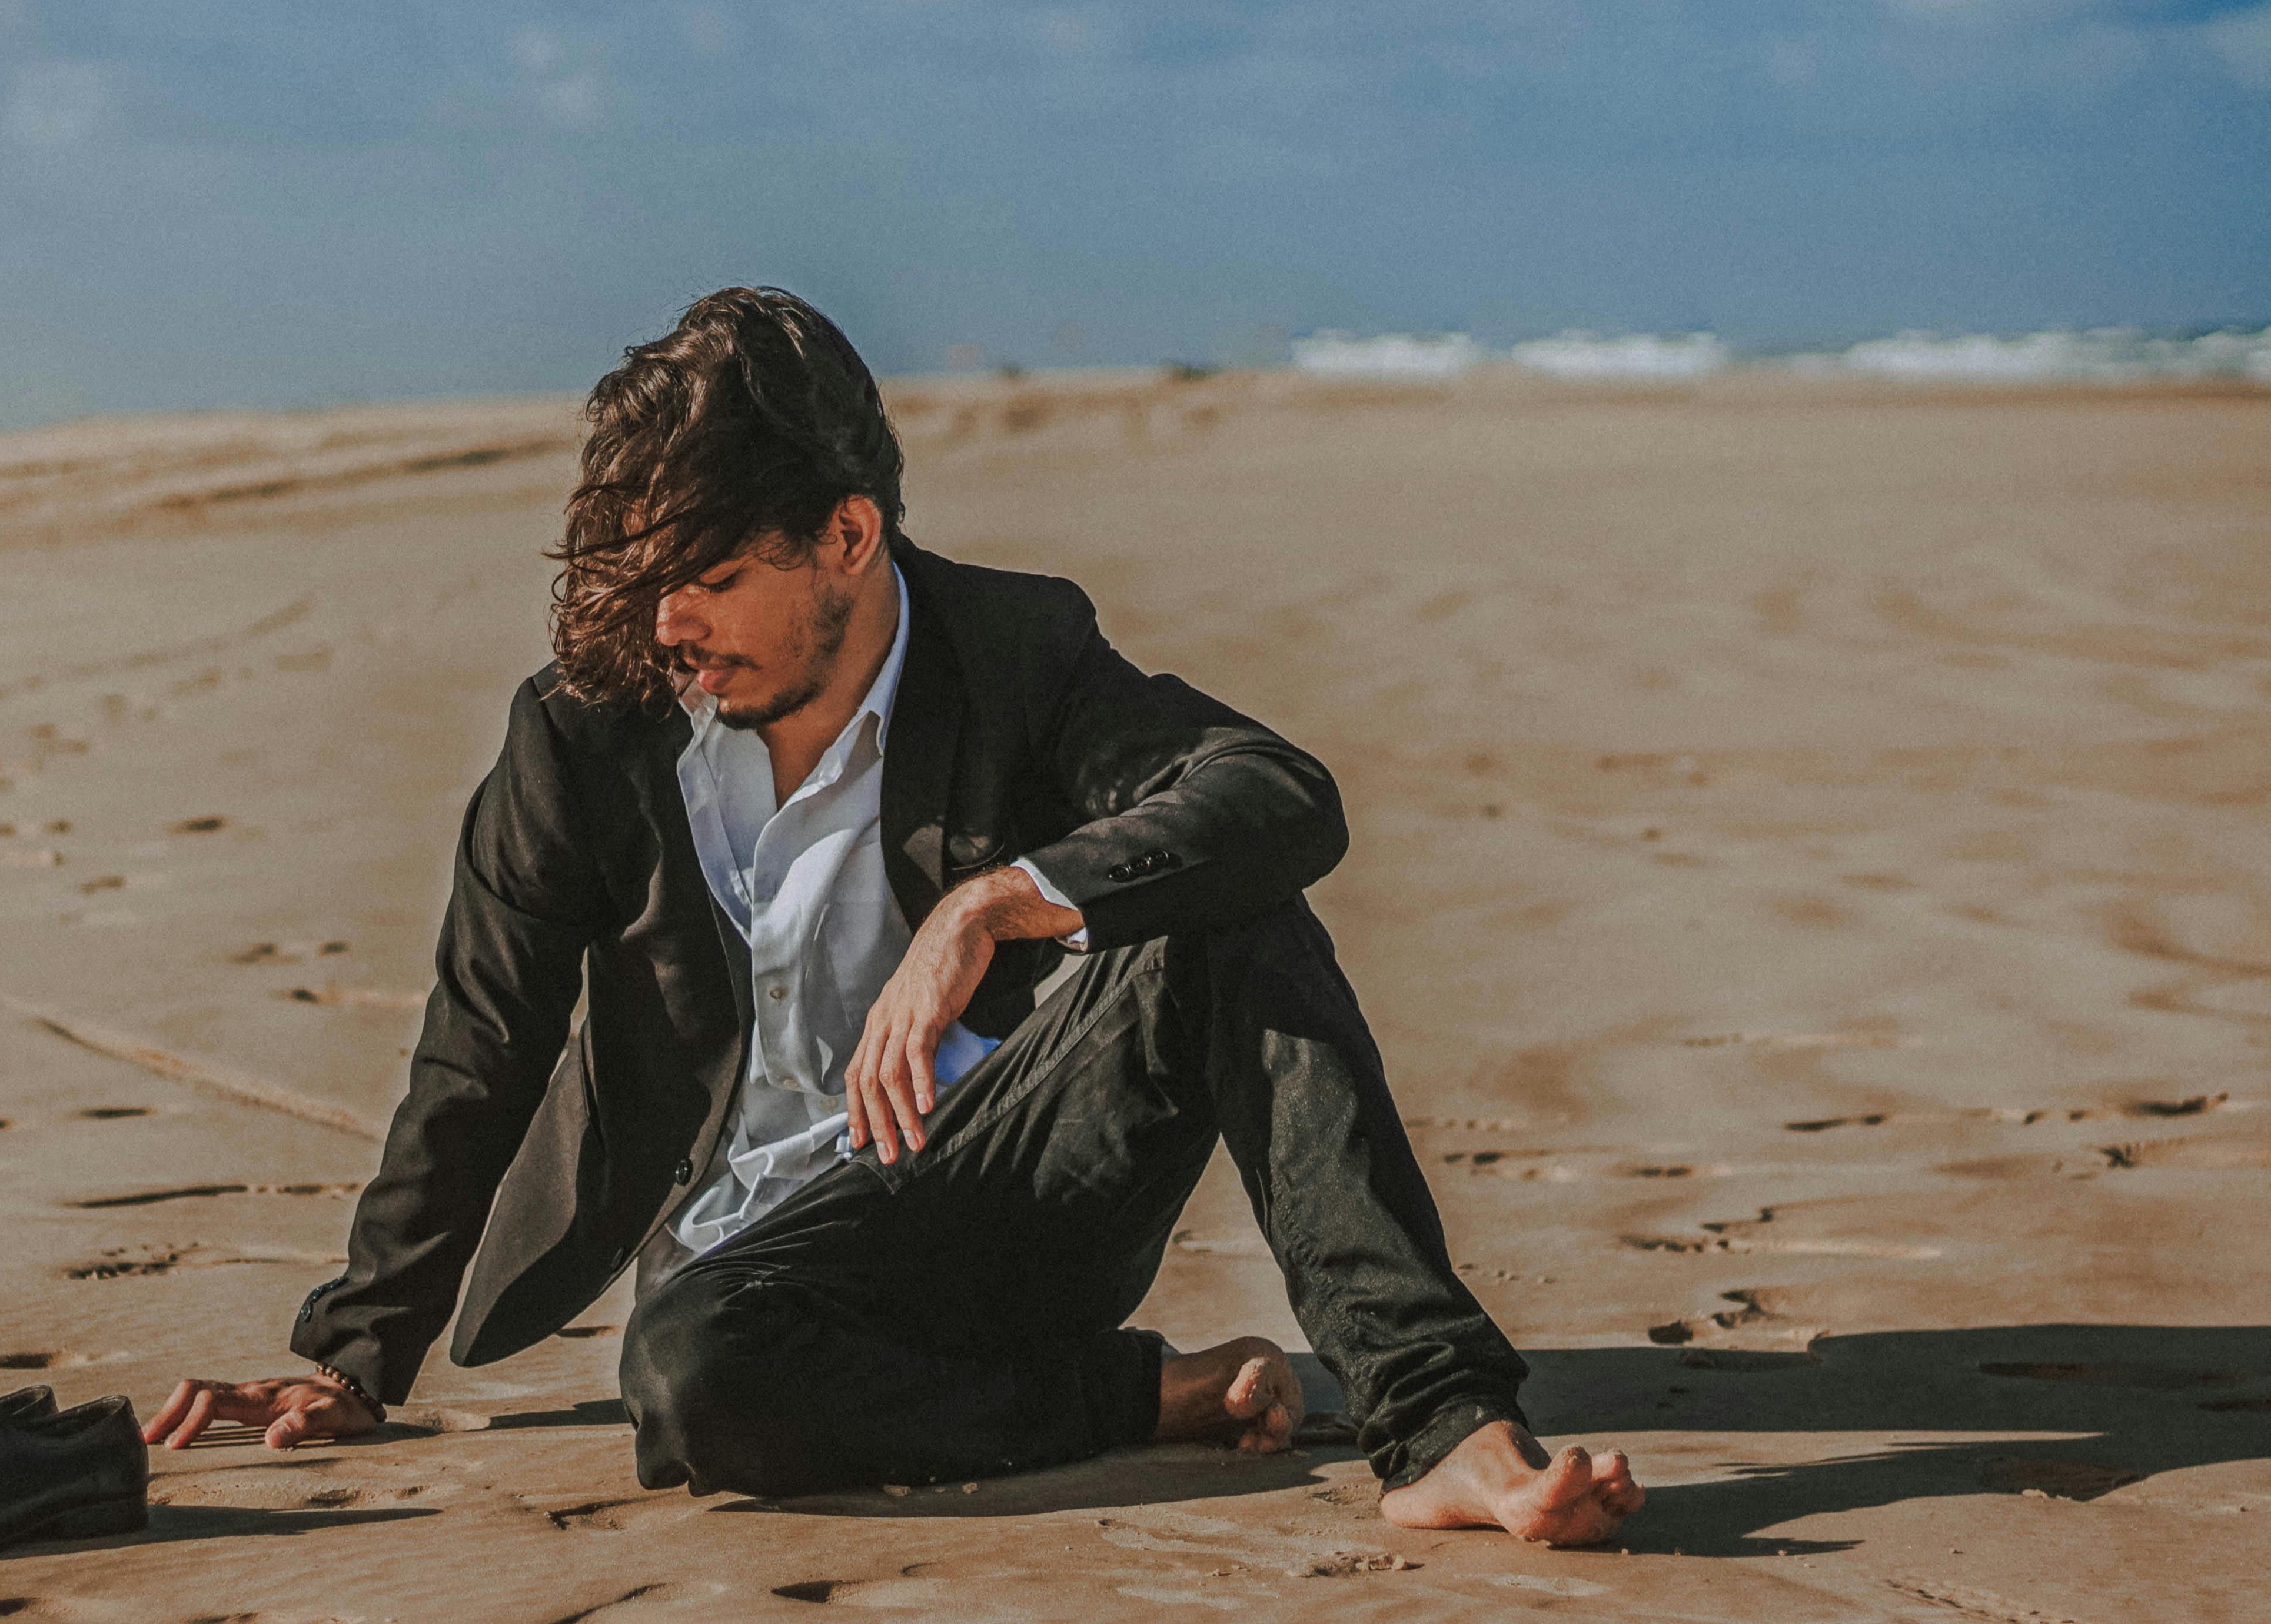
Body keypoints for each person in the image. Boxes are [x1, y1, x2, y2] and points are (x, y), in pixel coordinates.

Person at [145, 288, 1641, 1545]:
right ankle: (1141, 1396)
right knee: (684, 1382)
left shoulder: (1014, 652)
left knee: (1222, 905)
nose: (670, 624)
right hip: (753, 1277)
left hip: (1010, 1197)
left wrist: (999, 902)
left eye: (714, 579)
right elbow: (481, 1039)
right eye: (650, 578)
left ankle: (1439, 1422)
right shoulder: (588, 730)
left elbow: (1275, 790)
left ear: (846, 537)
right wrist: (354, 1351)